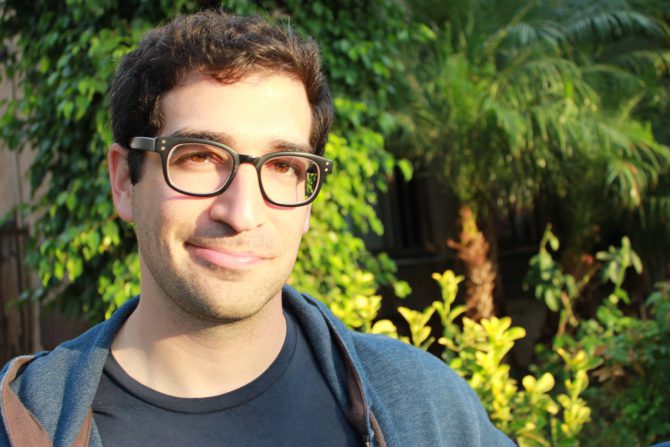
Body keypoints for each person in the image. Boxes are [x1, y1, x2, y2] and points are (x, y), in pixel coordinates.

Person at [0, 10, 514, 447]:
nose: (242, 212)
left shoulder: (426, 407)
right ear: (123, 182)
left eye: (283, 165)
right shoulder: (21, 423)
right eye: (199, 156)